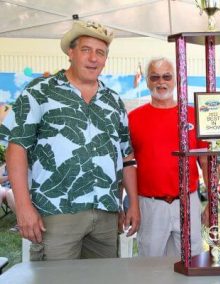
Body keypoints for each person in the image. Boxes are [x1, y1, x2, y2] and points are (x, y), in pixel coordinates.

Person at [0, 20, 140, 261]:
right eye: (86, 50)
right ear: (71, 53)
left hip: (106, 214)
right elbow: (17, 148)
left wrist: (132, 205)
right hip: (56, 214)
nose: (93, 58)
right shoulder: (39, 91)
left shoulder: (113, 101)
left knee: (102, 280)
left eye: (101, 53)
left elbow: (126, 157)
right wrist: (23, 207)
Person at [128, 57, 208, 257]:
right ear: (147, 81)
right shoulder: (133, 118)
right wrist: (131, 205)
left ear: (176, 80)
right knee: (150, 268)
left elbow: (206, 161)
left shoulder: (193, 114)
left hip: (188, 202)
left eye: (166, 76)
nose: (160, 82)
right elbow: (126, 164)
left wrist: (213, 203)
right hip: (150, 205)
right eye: (154, 77)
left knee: (192, 263)